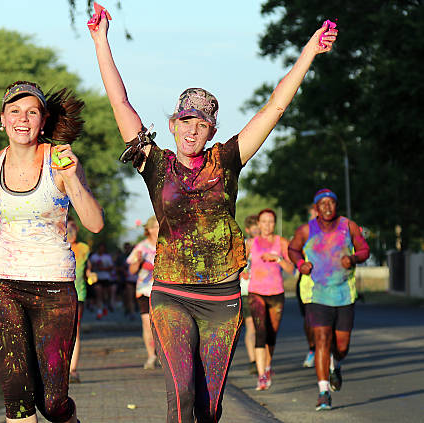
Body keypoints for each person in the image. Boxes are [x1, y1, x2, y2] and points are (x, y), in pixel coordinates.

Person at [88, 6, 337, 421]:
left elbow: (274, 108)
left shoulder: (228, 159)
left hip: (222, 296)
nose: (191, 129)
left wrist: (308, 52)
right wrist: (101, 42)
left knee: (210, 405)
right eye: (184, 120)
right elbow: (120, 102)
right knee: (182, 394)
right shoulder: (155, 163)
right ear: (172, 124)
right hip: (170, 292)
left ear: (211, 131)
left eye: (200, 124)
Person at [0, 80, 104, 423]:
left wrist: (71, 179)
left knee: (54, 403)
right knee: (17, 395)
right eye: (14, 112)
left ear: (43, 120)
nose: (22, 119)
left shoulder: (60, 160)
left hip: (55, 287)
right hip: (2, 285)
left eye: (31, 112)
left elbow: (95, 223)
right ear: (2, 119)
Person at [288, 189, 369, 411]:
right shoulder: (306, 230)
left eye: (331, 202)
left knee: (342, 345)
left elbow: (364, 250)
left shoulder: (348, 226)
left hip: (344, 294)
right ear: (316, 207)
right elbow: (293, 249)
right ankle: (323, 392)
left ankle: (337, 364)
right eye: (322, 203)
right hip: (317, 295)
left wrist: (353, 258)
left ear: (336, 205)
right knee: (322, 339)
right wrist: (300, 264)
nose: (327, 206)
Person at [246, 209, 294, 390]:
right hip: (256, 292)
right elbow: (241, 264)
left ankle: (267, 366)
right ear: (258, 223)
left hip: (276, 293)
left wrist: (278, 258)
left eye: (271, 222)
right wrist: (242, 272)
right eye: (264, 221)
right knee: (260, 332)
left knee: (271, 334)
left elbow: (291, 269)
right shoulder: (250, 243)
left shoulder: (281, 242)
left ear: (274, 224)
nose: (267, 225)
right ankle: (261, 376)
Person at [126, 216, 159, 370]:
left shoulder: (166, 246)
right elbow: (131, 270)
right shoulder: (141, 247)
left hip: (163, 290)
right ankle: (151, 355)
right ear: (150, 229)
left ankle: (163, 355)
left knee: (161, 325)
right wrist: (138, 262)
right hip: (144, 290)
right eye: (157, 226)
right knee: (147, 324)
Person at [67, 218, 91, 384]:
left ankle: (73, 370)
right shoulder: (54, 244)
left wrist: (91, 275)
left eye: (73, 227)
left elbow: (87, 269)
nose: (71, 231)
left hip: (78, 294)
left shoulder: (83, 248)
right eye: (68, 227)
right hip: (56, 292)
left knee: (74, 330)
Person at [239, 215, 260, 375]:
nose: (257, 229)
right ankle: (253, 360)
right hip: (247, 290)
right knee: (252, 326)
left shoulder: (267, 245)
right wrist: (243, 272)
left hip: (264, 289)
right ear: (248, 230)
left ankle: (263, 360)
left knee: (263, 327)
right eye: (253, 227)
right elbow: (240, 265)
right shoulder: (246, 244)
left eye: (257, 226)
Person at [297, 204, 318, 368]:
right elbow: (293, 252)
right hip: (307, 284)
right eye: (311, 215)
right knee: (309, 320)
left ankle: (328, 350)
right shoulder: (304, 234)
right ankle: (313, 349)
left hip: (329, 284)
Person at [89, 242, 115, 319]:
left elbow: (111, 267)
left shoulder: (107, 257)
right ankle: (99, 311)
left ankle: (105, 307)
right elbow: (89, 267)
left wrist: (103, 268)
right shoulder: (94, 257)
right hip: (97, 278)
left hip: (106, 278)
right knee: (98, 294)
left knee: (105, 295)